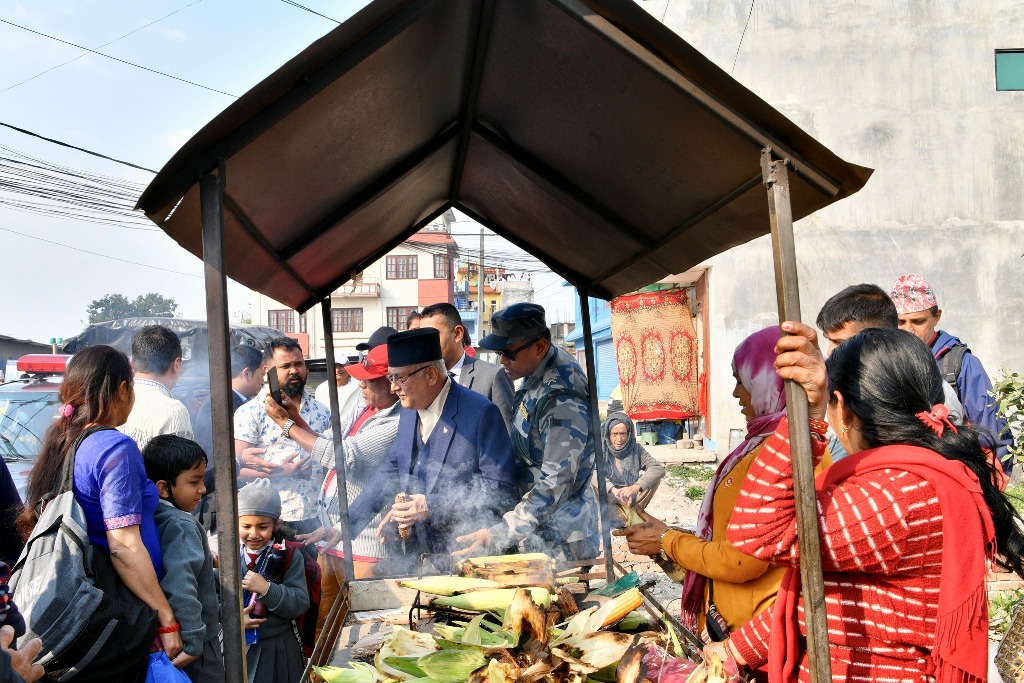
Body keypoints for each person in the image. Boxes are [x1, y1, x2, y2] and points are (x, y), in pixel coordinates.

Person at [705, 323, 1024, 681]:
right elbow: (826, 598)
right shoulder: (903, 480)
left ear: (841, 408)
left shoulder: (896, 495)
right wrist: (737, 648)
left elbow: (755, 531)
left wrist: (808, 419)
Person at [615, 327, 830, 651]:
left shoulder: (791, 456)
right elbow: (727, 535)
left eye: (741, 381)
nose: (735, 394)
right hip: (727, 623)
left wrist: (666, 540)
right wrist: (665, 533)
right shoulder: (761, 445)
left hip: (758, 639)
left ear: (767, 383)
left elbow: (743, 559)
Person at [16, 346, 183, 677]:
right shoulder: (115, 447)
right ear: (122, 389)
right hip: (113, 611)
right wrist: (165, 615)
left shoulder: (63, 441)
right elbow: (123, 545)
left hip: (78, 611)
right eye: (131, 386)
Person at [344, 328, 517, 570]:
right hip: (421, 556)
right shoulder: (408, 408)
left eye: (399, 378)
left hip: (466, 553)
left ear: (432, 375)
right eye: (391, 378)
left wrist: (429, 506)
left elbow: (501, 489)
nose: (393, 388)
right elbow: (391, 471)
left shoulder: (479, 413)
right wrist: (345, 526)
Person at [263, 341, 402, 641]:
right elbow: (327, 441)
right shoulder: (364, 407)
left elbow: (340, 456)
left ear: (393, 382)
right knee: (327, 624)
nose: (362, 386)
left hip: (365, 546)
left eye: (369, 380)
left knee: (365, 631)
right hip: (334, 536)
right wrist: (296, 419)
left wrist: (287, 426)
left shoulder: (397, 421)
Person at [456, 303, 600, 562]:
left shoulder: (561, 399)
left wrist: (501, 532)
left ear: (540, 346)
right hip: (538, 526)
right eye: (499, 352)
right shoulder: (536, 368)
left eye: (508, 353)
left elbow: (557, 481)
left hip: (564, 538)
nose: (501, 361)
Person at [815, 283, 963, 460]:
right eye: (829, 341)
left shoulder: (935, 392)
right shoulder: (841, 388)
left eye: (840, 343)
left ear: (873, 339)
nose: (830, 351)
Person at [890, 274, 1012, 469]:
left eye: (918, 321)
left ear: (937, 316)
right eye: (901, 322)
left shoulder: (961, 365)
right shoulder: (885, 363)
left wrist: (988, 489)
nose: (909, 330)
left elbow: (992, 436)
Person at [142, 435, 223, 683]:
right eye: (194, 481)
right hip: (195, 645)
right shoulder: (181, 524)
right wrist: (193, 640)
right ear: (164, 488)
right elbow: (180, 583)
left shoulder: (152, 516)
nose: (203, 489)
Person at [235, 337, 331, 534]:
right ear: (267, 370)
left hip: (319, 517)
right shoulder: (250, 412)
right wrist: (283, 472)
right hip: (271, 521)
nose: (294, 370)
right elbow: (237, 470)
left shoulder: (321, 410)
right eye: (285, 366)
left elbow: (329, 460)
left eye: (298, 364)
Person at [236, 479, 309, 683]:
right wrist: (233, 620)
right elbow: (212, 599)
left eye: (262, 526)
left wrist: (266, 589)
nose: (253, 534)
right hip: (236, 644)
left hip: (279, 646)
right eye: (246, 526)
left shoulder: (290, 556)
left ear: (277, 524)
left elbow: (300, 602)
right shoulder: (228, 557)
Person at [192, 344, 265, 533]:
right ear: (246, 373)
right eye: (261, 374)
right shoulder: (223, 406)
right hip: (218, 503)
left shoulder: (235, 402)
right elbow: (221, 462)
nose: (263, 381)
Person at [419, 302, 515, 432]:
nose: (426, 345)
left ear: (458, 333)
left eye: (432, 336)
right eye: (422, 338)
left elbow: (506, 435)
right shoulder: (421, 380)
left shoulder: (492, 377)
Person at [119, 324, 193, 450]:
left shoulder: (112, 401)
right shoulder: (173, 410)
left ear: (132, 363)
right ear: (177, 364)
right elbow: (181, 469)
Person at [600, 412, 665, 511]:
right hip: (609, 494)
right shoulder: (602, 449)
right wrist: (613, 490)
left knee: (653, 479)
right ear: (608, 435)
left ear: (629, 433)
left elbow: (658, 468)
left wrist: (635, 487)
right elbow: (593, 473)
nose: (619, 439)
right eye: (614, 434)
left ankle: (635, 510)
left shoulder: (636, 449)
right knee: (591, 483)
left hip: (630, 495)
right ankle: (603, 514)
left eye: (622, 434)